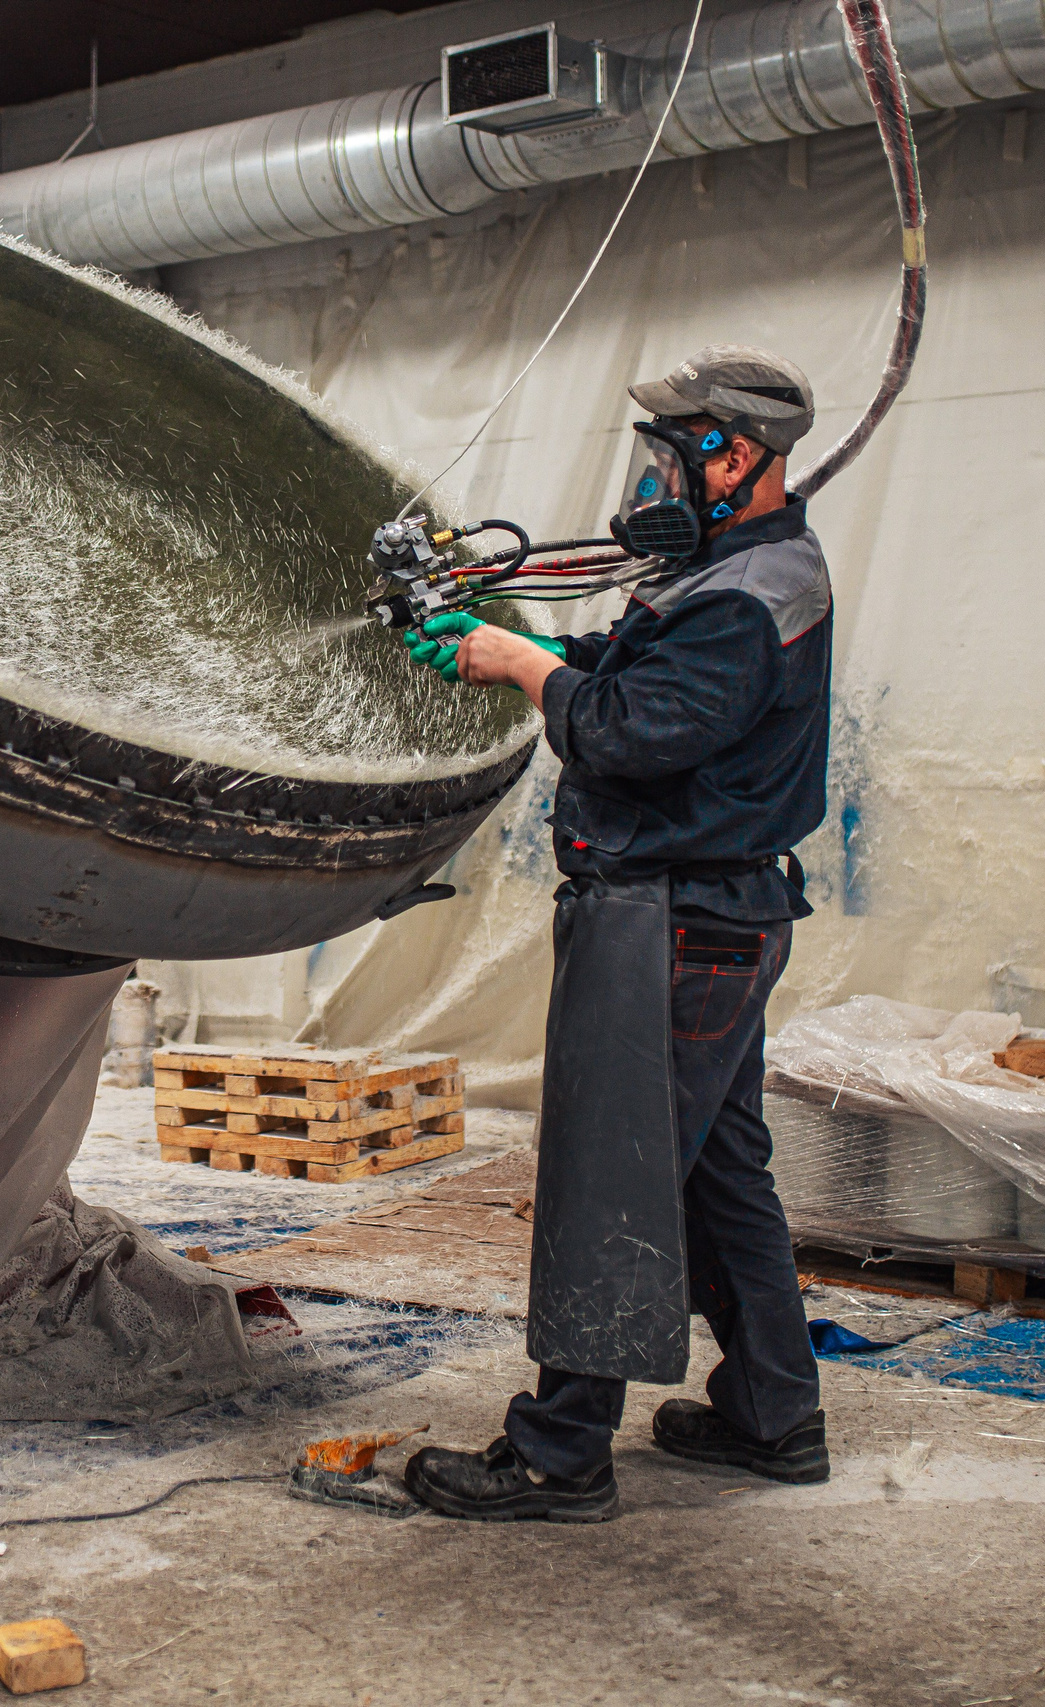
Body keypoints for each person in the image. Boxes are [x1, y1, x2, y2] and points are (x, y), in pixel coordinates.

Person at [398, 345, 834, 1523]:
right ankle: (773, 1413)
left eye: (669, 458)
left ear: (732, 458)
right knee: (720, 1178)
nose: (649, 481)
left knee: (613, 1177)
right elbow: (625, 670)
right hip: (716, 919)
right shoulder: (729, 573)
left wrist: (522, 664)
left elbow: (629, 733)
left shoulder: (744, 600)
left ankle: (559, 1454)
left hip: (673, 924)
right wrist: (511, 649)